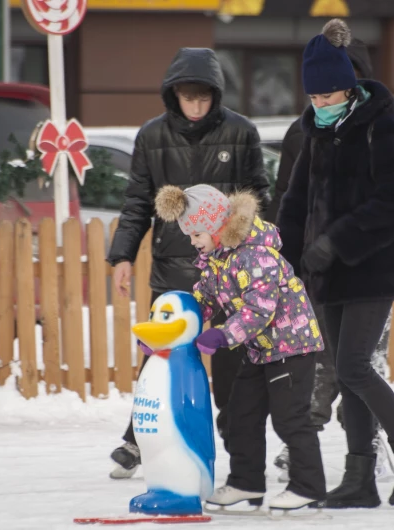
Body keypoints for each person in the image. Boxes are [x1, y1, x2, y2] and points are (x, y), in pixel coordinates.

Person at [276, 19, 394, 508]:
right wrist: (288, 258)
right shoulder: (314, 132)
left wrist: (336, 241)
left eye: (329, 96)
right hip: (326, 272)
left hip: (370, 265)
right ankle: (360, 480)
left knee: (352, 366)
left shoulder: (382, 125)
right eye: (314, 98)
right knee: (348, 373)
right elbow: (294, 200)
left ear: (348, 88)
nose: (321, 106)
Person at [106, 47, 271, 479]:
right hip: (173, 268)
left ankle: (240, 455)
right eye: (187, 97)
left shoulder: (241, 132)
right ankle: (138, 439)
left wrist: (254, 252)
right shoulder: (152, 136)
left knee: (234, 365)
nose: (196, 106)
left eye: (204, 98)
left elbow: (259, 197)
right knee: (162, 357)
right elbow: (138, 201)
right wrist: (122, 255)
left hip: (231, 271)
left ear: (216, 95)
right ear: (173, 95)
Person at [154, 184, 326, 511]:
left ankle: (309, 486)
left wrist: (223, 335)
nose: (193, 241)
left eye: (196, 233)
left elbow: (260, 308)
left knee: (290, 419)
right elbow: (203, 298)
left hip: (292, 347)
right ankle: (246, 482)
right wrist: (173, 327)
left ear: (217, 224)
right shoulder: (216, 258)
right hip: (260, 349)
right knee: (240, 416)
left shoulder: (257, 254)